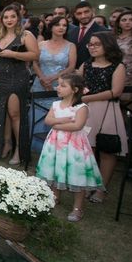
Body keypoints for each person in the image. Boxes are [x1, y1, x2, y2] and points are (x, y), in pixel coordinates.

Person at [36, 73, 105, 222]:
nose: (58, 88)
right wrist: (59, 120)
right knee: (56, 168)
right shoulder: (56, 104)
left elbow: (77, 126)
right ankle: (55, 196)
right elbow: (48, 120)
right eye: (58, 84)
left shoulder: (81, 107)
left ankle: (78, 207)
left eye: (62, 85)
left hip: (75, 146)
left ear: (74, 89)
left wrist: (56, 124)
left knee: (76, 174)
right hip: (56, 144)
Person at [0, 3, 39, 166]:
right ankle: (6, 143)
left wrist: (13, 53)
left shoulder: (25, 35)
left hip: (17, 78)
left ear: (18, 18)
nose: (9, 20)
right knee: (2, 112)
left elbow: (35, 55)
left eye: (12, 17)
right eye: (6, 17)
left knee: (15, 114)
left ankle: (18, 149)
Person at [79, 32, 127, 204]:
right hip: (86, 111)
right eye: (90, 44)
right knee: (87, 150)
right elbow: (78, 84)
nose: (92, 47)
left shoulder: (117, 66)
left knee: (107, 150)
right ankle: (87, 184)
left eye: (96, 44)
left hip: (107, 110)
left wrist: (87, 98)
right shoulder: (86, 65)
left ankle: (101, 188)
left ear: (107, 45)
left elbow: (116, 91)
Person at [30, 16, 77, 151]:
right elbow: (35, 62)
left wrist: (53, 78)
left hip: (60, 86)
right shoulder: (41, 44)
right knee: (38, 114)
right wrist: (43, 78)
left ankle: (54, 146)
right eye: (58, 25)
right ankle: (35, 146)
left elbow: (71, 67)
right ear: (51, 27)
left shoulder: (70, 46)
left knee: (57, 113)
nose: (61, 27)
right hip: (40, 84)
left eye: (64, 25)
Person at [70, 1, 107, 68]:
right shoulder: (71, 32)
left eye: (86, 12)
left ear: (92, 11)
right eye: (79, 13)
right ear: (75, 15)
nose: (83, 16)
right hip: (73, 73)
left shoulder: (104, 32)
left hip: (95, 72)